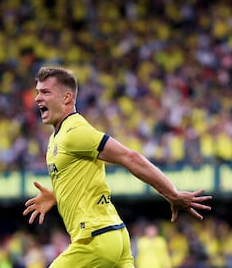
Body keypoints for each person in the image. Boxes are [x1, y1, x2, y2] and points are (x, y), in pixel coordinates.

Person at [23, 67, 212, 268]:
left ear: (67, 98)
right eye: (37, 92)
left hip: (95, 239)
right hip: (114, 236)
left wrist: (172, 193)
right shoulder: (56, 138)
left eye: (45, 92)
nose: (37, 98)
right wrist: (57, 195)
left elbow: (129, 157)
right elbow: (82, 180)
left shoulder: (75, 131)